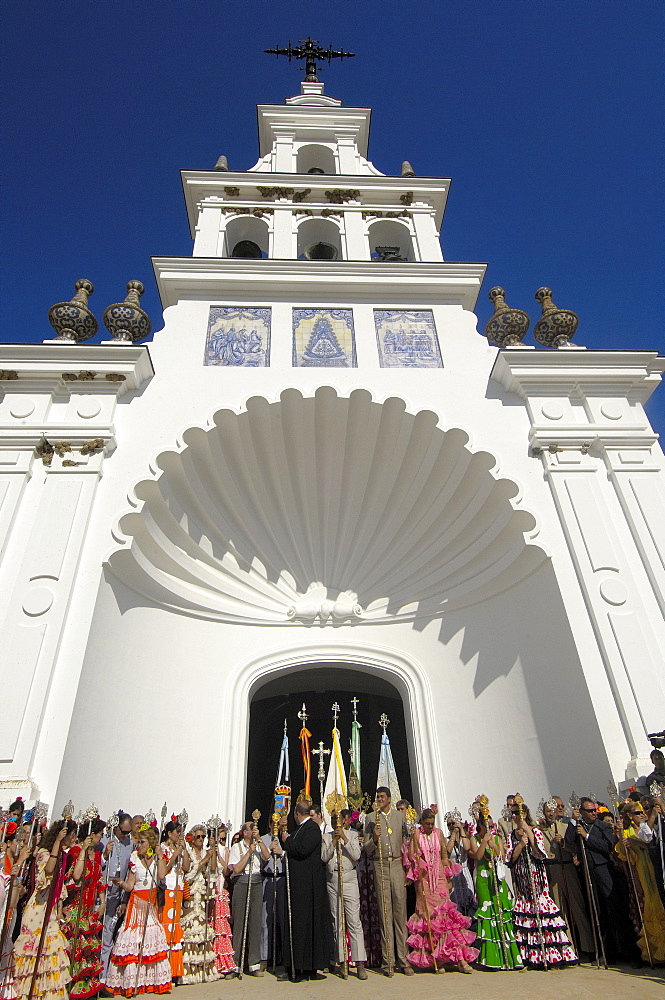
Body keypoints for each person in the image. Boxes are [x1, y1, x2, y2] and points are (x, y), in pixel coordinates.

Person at [403, 809, 477, 973]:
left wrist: (448, 879)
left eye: (432, 824)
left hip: (439, 878)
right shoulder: (416, 834)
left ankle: (460, 959)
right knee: (431, 920)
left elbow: (444, 856)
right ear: (421, 823)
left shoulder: (438, 833)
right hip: (424, 881)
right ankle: (438, 959)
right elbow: (412, 857)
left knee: (448, 919)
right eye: (427, 824)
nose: (430, 827)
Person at [506, 801, 576, 967]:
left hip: (537, 876)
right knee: (526, 912)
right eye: (513, 813)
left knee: (543, 912)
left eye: (517, 813)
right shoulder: (511, 835)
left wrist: (528, 832)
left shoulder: (535, 830)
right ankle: (531, 955)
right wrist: (521, 844)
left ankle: (550, 954)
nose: (515, 816)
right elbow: (509, 858)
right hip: (522, 877)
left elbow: (539, 852)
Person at [105, 825, 171, 996]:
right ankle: (131, 982)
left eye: (142, 842)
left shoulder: (158, 858)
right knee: (133, 940)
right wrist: (121, 883)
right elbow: (130, 885)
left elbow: (162, 876)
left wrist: (160, 856)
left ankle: (152, 982)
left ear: (150, 843)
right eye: (138, 842)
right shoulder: (134, 857)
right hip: (137, 904)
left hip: (151, 904)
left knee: (152, 937)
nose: (139, 845)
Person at [13, 820, 76, 1000]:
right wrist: (57, 843)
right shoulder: (43, 853)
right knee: (33, 953)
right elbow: (48, 871)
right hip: (38, 909)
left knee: (50, 953)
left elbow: (59, 885)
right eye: (70, 835)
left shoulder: (63, 856)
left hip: (50, 910)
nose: (73, 838)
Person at [271, 801, 332, 982]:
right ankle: (297, 967)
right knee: (297, 924)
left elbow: (302, 850)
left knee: (304, 925)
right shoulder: (300, 830)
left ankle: (305, 968)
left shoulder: (312, 829)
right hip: (298, 884)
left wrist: (286, 841)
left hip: (307, 886)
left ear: (298, 814)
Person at [363, 787, 413, 977]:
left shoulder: (399, 818)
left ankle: (404, 960)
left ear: (390, 799)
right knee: (385, 913)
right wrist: (374, 839)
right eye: (378, 797)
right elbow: (366, 849)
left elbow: (407, 844)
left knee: (400, 914)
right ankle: (388, 962)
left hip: (397, 864)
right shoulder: (370, 819)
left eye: (382, 797)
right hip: (380, 864)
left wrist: (409, 869)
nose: (379, 799)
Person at [538, 800, 594, 957]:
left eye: (556, 809)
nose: (553, 812)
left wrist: (563, 843)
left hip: (567, 866)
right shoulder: (540, 829)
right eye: (549, 810)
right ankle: (567, 947)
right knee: (560, 908)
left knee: (577, 906)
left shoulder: (566, 826)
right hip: (552, 868)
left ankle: (587, 946)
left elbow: (573, 846)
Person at [469, 809, 523, 970]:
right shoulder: (475, 839)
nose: (491, 828)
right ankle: (491, 957)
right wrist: (484, 842)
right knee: (488, 913)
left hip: (497, 879)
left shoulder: (497, 838)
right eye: (487, 826)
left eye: (492, 826)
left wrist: (493, 845)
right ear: (481, 826)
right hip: (484, 879)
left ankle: (509, 956)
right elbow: (477, 856)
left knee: (501, 911)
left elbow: (503, 856)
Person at [614, 800, 665, 963]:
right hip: (642, 875)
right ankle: (653, 953)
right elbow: (624, 854)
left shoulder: (648, 828)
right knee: (647, 909)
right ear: (630, 816)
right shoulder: (628, 832)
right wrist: (621, 835)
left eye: (643, 811)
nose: (642, 814)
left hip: (656, 869)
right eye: (638, 813)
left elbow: (650, 842)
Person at [62, 819, 107, 999]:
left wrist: (102, 901)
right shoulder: (75, 852)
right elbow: (77, 875)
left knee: (87, 955)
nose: (101, 838)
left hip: (89, 910)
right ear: (91, 834)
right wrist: (82, 851)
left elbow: (99, 880)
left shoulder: (96, 854)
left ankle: (85, 991)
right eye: (100, 834)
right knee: (75, 951)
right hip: (75, 908)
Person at [321, 810, 367, 979]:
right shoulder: (326, 837)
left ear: (345, 821)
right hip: (333, 879)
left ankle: (360, 961)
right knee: (337, 922)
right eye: (333, 819)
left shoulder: (353, 835)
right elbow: (324, 857)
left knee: (354, 921)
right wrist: (334, 840)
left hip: (349, 878)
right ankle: (341, 961)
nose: (335, 822)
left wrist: (344, 839)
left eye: (338, 819)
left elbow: (356, 855)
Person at [228, 821, 269, 978]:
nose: (253, 830)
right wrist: (249, 853)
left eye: (255, 828)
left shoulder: (258, 845)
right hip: (242, 882)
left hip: (257, 882)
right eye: (251, 829)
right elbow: (236, 869)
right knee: (240, 924)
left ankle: (254, 963)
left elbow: (267, 856)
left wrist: (259, 840)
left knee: (255, 923)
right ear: (244, 832)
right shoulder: (236, 847)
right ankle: (236, 964)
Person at [181, 825, 218, 984]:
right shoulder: (188, 852)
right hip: (190, 894)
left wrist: (213, 853)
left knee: (202, 930)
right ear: (192, 838)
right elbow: (188, 873)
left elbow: (214, 869)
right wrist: (204, 860)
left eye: (203, 837)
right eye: (198, 837)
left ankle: (203, 971)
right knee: (190, 930)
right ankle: (188, 971)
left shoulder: (205, 852)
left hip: (202, 895)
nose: (201, 839)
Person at [99, 814, 133, 988]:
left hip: (117, 895)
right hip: (100, 895)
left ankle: (103, 978)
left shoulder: (130, 844)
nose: (126, 836)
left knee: (109, 935)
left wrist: (124, 899)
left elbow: (129, 871)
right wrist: (104, 855)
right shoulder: (104, 841)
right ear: (116, 827)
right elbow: (94, 867)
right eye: (124, 832)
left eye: (129, 832)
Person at [158, 821, 190, 982]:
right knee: (166, 928)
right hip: (167, 889)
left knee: (175, 928)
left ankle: (174, 968)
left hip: (178, 889)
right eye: (177, 832)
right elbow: (166, 867)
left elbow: (185, 867)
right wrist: (176, 852)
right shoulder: (163, 848)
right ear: (169, 833)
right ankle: (164, 968)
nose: (179, 835)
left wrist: (183, 851)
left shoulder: (178, 848)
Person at [260, 815, 288, 974]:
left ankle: (284, 958)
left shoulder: (285, 837)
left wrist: (282, 849)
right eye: (274, 823)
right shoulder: (263, 839)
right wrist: (268, 850)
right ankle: (265, 957)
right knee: (265, 921)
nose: (276, 826)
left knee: (283, 920)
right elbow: (260, 861)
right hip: (267, 879)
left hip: (282, 878)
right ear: (270, 824)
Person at [212, 826, 235, 978]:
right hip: (210, 890)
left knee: (221, 929)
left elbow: (226, 870)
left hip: (220, 889)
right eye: (219, 838)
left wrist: (218, 854)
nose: (221, 841)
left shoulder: (225, 850)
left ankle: (223, 962)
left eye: (223, 839)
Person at [444, 813, 476, 918]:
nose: (452, 825)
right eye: (449, 824)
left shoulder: (464, 838)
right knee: (456, 901)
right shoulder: (446, 839)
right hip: (453, 875)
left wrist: (461, 830)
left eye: (453, 823)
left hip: (464, 871)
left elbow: (467, 848)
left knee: (469, 898)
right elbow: (448, 851)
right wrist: (453, 834)